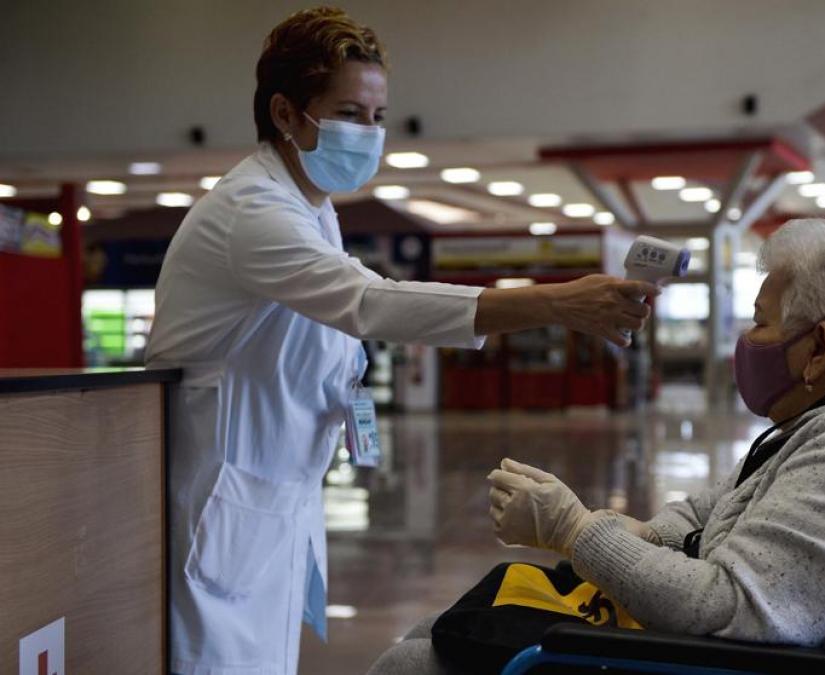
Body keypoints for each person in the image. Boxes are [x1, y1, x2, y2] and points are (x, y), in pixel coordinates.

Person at [144, 8, 656, 675]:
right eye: (350, 113)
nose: (369, 134)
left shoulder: (312, 209)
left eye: (378, 117)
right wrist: (555, 301)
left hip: (268, 495)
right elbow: (367, 301)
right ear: (286, 113)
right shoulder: (252, 212)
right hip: (224, 495)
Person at [370, 219, 825, 674]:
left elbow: (732, 609)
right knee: (443, 627)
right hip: (719, 654)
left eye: (761, 322)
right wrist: (639, 533)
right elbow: (714, 509)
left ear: (819, 347)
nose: (746, 340)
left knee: (415, 663)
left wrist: (575, 532)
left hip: (722, 663)